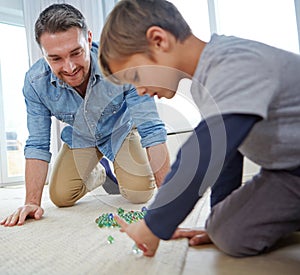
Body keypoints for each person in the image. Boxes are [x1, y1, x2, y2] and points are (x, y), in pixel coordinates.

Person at [99, 0, 300, 257]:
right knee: (228, 233)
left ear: (159, 40)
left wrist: (153, 223)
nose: (140, 91)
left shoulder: (232, 64)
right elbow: (228, 158)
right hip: (286, 173)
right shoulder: (205, 85)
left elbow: (204, 152)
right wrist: (218, 218)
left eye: (136, 76)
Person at [0, 3, 170, 227]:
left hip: (119, 131)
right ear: (43, 54)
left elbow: (151, 129)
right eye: (56, 58)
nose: (69, 67)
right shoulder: (35, 83)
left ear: (88, 39)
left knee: (139, 193)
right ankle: (99, 173)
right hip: (81, 137)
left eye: (76, 52)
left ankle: (122, 166)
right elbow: (38, 143)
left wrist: (170, 199)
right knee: (60, 196)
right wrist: (31, 201)